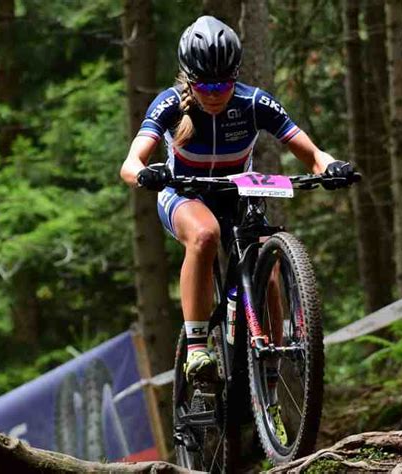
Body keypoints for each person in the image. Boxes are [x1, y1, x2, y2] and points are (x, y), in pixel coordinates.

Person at [120, 16, 353, 383]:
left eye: (223, 83)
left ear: (236, 75)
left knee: (267, 262)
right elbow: (131, 162)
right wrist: (144, 173)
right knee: (205, 236)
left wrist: (331, 166)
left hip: (236, 194)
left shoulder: (254, 102)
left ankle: (272, 363)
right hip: (184, 192)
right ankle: (197, 347)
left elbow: (312, 153)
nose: (214, 92)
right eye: (205, 84)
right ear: (189, 79)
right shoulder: (170, 104)